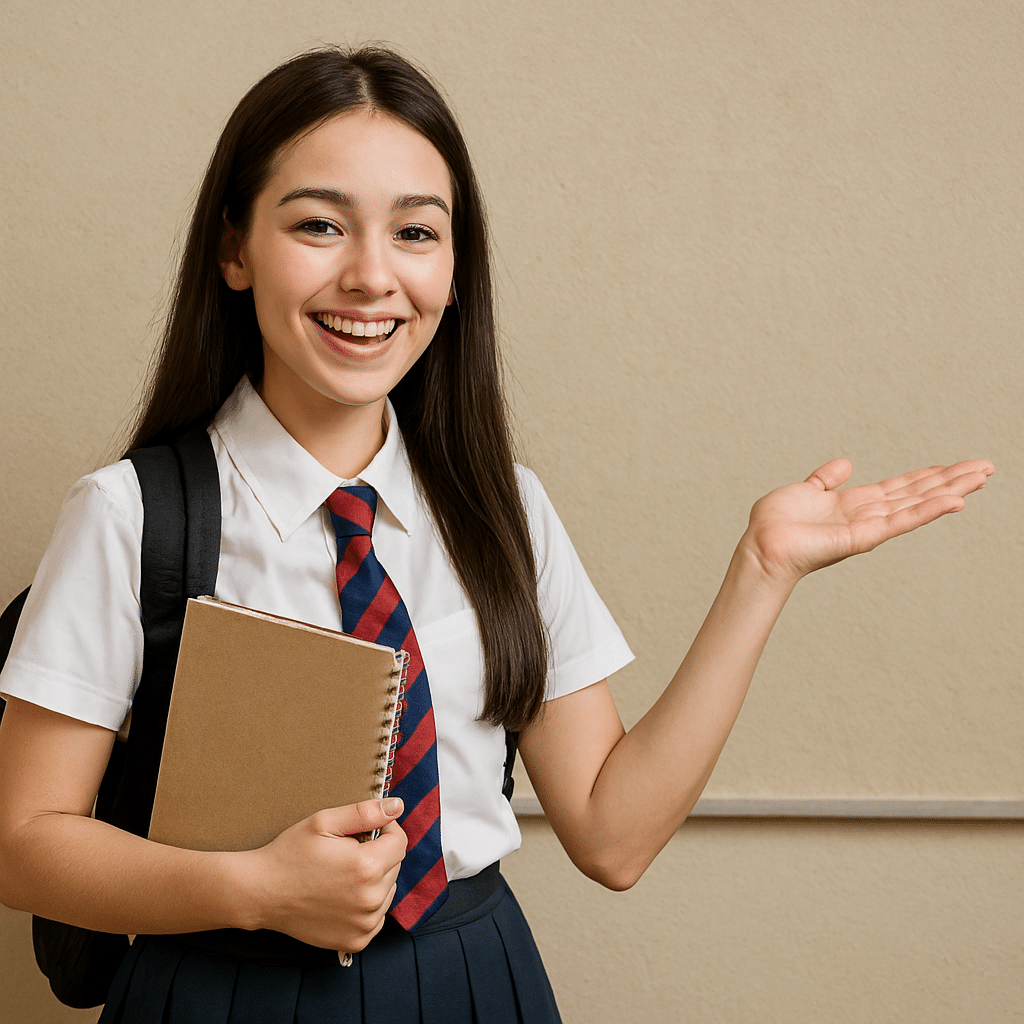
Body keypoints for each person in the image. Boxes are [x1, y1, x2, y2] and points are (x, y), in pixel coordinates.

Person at [0, 45, 993, 1023]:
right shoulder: (131, 514)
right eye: (317, 224)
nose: (370, 276)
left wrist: (762, 572)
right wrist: (256, 889)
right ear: (233, 249)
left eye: (416, 234)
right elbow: (22, 841)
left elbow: (612, 835)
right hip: (217, 988)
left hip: (473, 980)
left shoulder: (501, 510)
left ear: (454, 266)